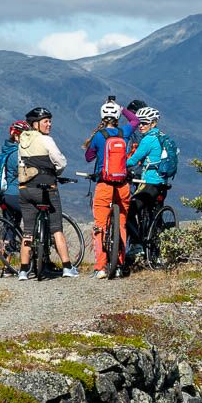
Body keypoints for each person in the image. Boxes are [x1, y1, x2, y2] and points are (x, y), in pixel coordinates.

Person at [15, 106, 78, 278]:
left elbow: (21, 164)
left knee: (28, 230)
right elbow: (60, 161)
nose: (49, 124)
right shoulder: (46, 140)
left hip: (26, 189)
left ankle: (23, 270)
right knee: (56, 228)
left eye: (50, 121)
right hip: (46, 189)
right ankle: (67, 267)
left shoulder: (22, 141)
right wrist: (55, 172)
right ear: (35, 124)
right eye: (46, 121)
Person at [82, 100, 133, 278]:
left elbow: (88, 157)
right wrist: (122, 108)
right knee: (121, 224)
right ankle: (119, 265)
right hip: (123, 184)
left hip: (104, 184)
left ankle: (101, 268)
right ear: (117, 116)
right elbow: (135, 121)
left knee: (100, 225)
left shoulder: (99, 136)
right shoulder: (124, 132)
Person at [125, 105, 175, 266]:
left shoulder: (148, 139)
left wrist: (117, 167)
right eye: (139, 122)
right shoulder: (162, 137)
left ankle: (138, 244)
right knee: (156, 217)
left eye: (144, 123)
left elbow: (133, 160)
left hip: (149, 184)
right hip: (162, 184)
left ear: (153, 123)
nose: (140, 126)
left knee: (128, 211)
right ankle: (156, 254)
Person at [0, 119, 30, 276]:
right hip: (17, 194)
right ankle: (30, 263)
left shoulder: (5, 150)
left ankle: (7, 267)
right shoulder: (18, 153)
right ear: (17, 136)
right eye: (24, 135)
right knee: (31, 224)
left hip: (4, 196)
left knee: (9, 228)